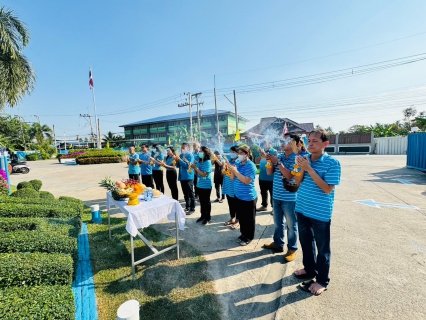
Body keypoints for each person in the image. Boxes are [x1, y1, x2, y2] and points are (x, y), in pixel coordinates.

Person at [293, 129, 341, 296]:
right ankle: (309, 269)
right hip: (302, 209)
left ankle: (322, 280)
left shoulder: (332, 163)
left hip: (320, 213)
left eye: (315, 141)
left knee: (322, 249)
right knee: (306, 243)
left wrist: (309, 169)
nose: (310, 144)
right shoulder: (304, 160)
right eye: (309, 140)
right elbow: (297, 182)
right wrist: (302, 168)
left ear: (325, 144)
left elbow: (327, 189)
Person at [263, 134, 300, 262]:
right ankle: (278, 244)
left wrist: (277, 163)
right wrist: (269, 161)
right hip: (277, 195)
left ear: (294, 143)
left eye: (286, 140)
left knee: (291, 225)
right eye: (281, 140)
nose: (282, 143)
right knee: (278, 223)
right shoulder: (279, 157)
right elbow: (269, 173)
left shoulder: (298, 159)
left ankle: (292, 248)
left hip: (290, 198)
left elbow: (290, 176)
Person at [229, 145, 258, 246]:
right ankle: (243, 234)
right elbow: (233, 178)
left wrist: (235, 171)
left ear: (247, 154)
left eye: (242, 153)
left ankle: (248, 237)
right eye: (239, 153)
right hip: (238, 195)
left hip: (248, 197)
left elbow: (246, 181)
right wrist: (231, 170)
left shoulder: (251, 166)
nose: (239, 155)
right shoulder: (237, 163)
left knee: (249, 219)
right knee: (241, 217)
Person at [190, 146, 213, 224]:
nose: (199, 153)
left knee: (206, 201)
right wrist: (193, 168)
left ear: (205, 153)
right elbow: (197, 172)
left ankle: (208, 217)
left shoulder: (208, 162)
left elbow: (204, 174)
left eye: (201, 151)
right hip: (199, 184)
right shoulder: (200, 161)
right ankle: (203, 215)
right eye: (199, 151)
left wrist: (196, 168)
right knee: (202, 201)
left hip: (206, 185)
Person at [255, 141, 276, 212]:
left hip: (271, 177)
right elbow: (256, 161)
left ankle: (274, 208)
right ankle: (264, 205)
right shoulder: (261, 152)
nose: (265, 144)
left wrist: (265, 155)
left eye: (267, 142)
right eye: (264, 143)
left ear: (270, 143)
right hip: (262, 177)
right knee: (263, 192)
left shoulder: (274, 151)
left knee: (272, 193)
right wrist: (261, 155)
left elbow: (275, 162)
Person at [175, 142, 195, 214]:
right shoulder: (181, 155)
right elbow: (178, 166)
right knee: (185, 193)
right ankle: (187, 206)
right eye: (182, 148)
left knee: (190, 193)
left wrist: (180, 160)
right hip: (182, 177)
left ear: (188, 148)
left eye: (184, 148)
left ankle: (192, 208)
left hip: (188, 176)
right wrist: (177, 161)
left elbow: (187, 166)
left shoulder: (190, 155)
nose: (182, 149)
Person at [222, 146, 239, 229]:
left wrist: (231, 168)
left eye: (233, 152)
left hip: (235, 186)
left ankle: (237, 221)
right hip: (228, 185)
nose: (231, 153)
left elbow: (238, 174)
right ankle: (232, 218)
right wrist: (224, 167)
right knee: (230, 203)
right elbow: (224, 172)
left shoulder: (238, 161)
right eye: (230, 151)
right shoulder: (229, 160)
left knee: (237, 204)